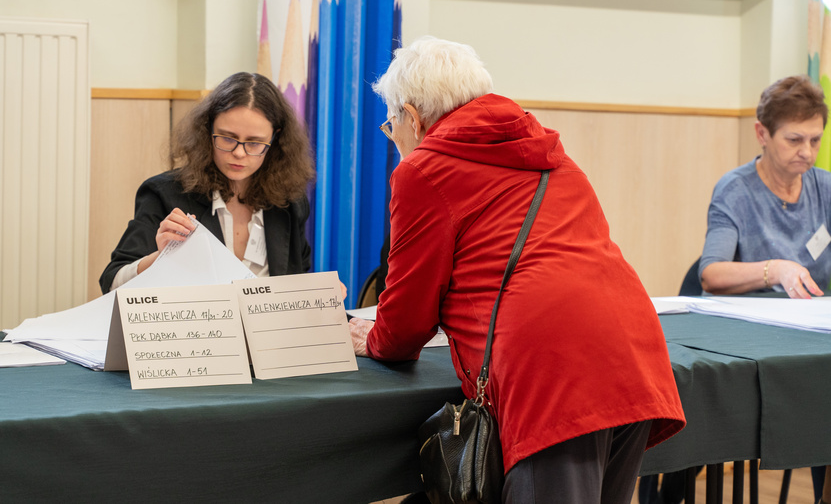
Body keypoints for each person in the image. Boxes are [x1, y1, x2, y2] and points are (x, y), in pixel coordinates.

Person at [348, 36, 685, 503]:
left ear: (412, 115)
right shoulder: (548, 152)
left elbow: (405, 321)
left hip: (554, 370)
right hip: (633, 354)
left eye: (391, 125)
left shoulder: (423, 170)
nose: (395, 138)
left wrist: (372, 338)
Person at [100, 72, 322, 294]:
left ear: (276, 139)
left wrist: (318, 293)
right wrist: (161, 259)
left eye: (254, 143)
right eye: (227, 138)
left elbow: (296, 280)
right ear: (208, 130)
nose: (238, 152)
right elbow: (111, 283)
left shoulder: (290, 202)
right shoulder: (164, 194)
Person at [700, 75, 831, 299]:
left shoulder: (825, 187)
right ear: (762, 134)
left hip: (807, 321)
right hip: (744, 322)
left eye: (815, 140)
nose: (807, 152)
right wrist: (776, 271)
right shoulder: (735, 190)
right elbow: (711, 275)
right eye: (794, 140)